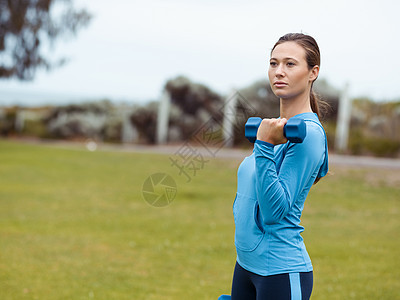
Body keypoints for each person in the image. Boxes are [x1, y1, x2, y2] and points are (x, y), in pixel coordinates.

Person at [230, 33, 329, 300]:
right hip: (246, 266)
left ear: (313, 72)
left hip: (280, 271)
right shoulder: (275, 129)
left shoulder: (308, 134)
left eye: (290, 64)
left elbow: (274, 211)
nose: (279, 72)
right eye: (274, 64)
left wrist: (263, 146)